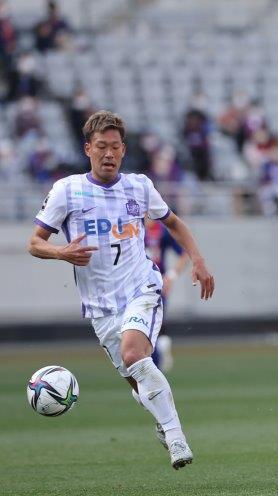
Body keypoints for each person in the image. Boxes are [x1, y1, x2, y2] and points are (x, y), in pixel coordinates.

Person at [28, 111, 215, 470]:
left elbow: (173, 223)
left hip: (141, 287)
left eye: (115, 147)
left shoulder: (139, 187)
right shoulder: (67, 191)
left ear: (124, 150)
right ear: (88, 149)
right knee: (137, 382)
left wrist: (198, 260)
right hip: (101, 306)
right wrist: (61, 252)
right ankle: (160, 417)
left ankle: (176, 437)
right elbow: (35, 243)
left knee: (133, 353)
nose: (109, 153)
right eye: (101, 146)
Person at [144, 215, 188, 372]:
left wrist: (171, 276)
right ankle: (156, 358)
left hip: (156, 284)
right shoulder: (131, 228)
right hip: (136, 284)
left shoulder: (162, 231)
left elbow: (184, 253)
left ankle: (157, 361)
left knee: (155, 325)